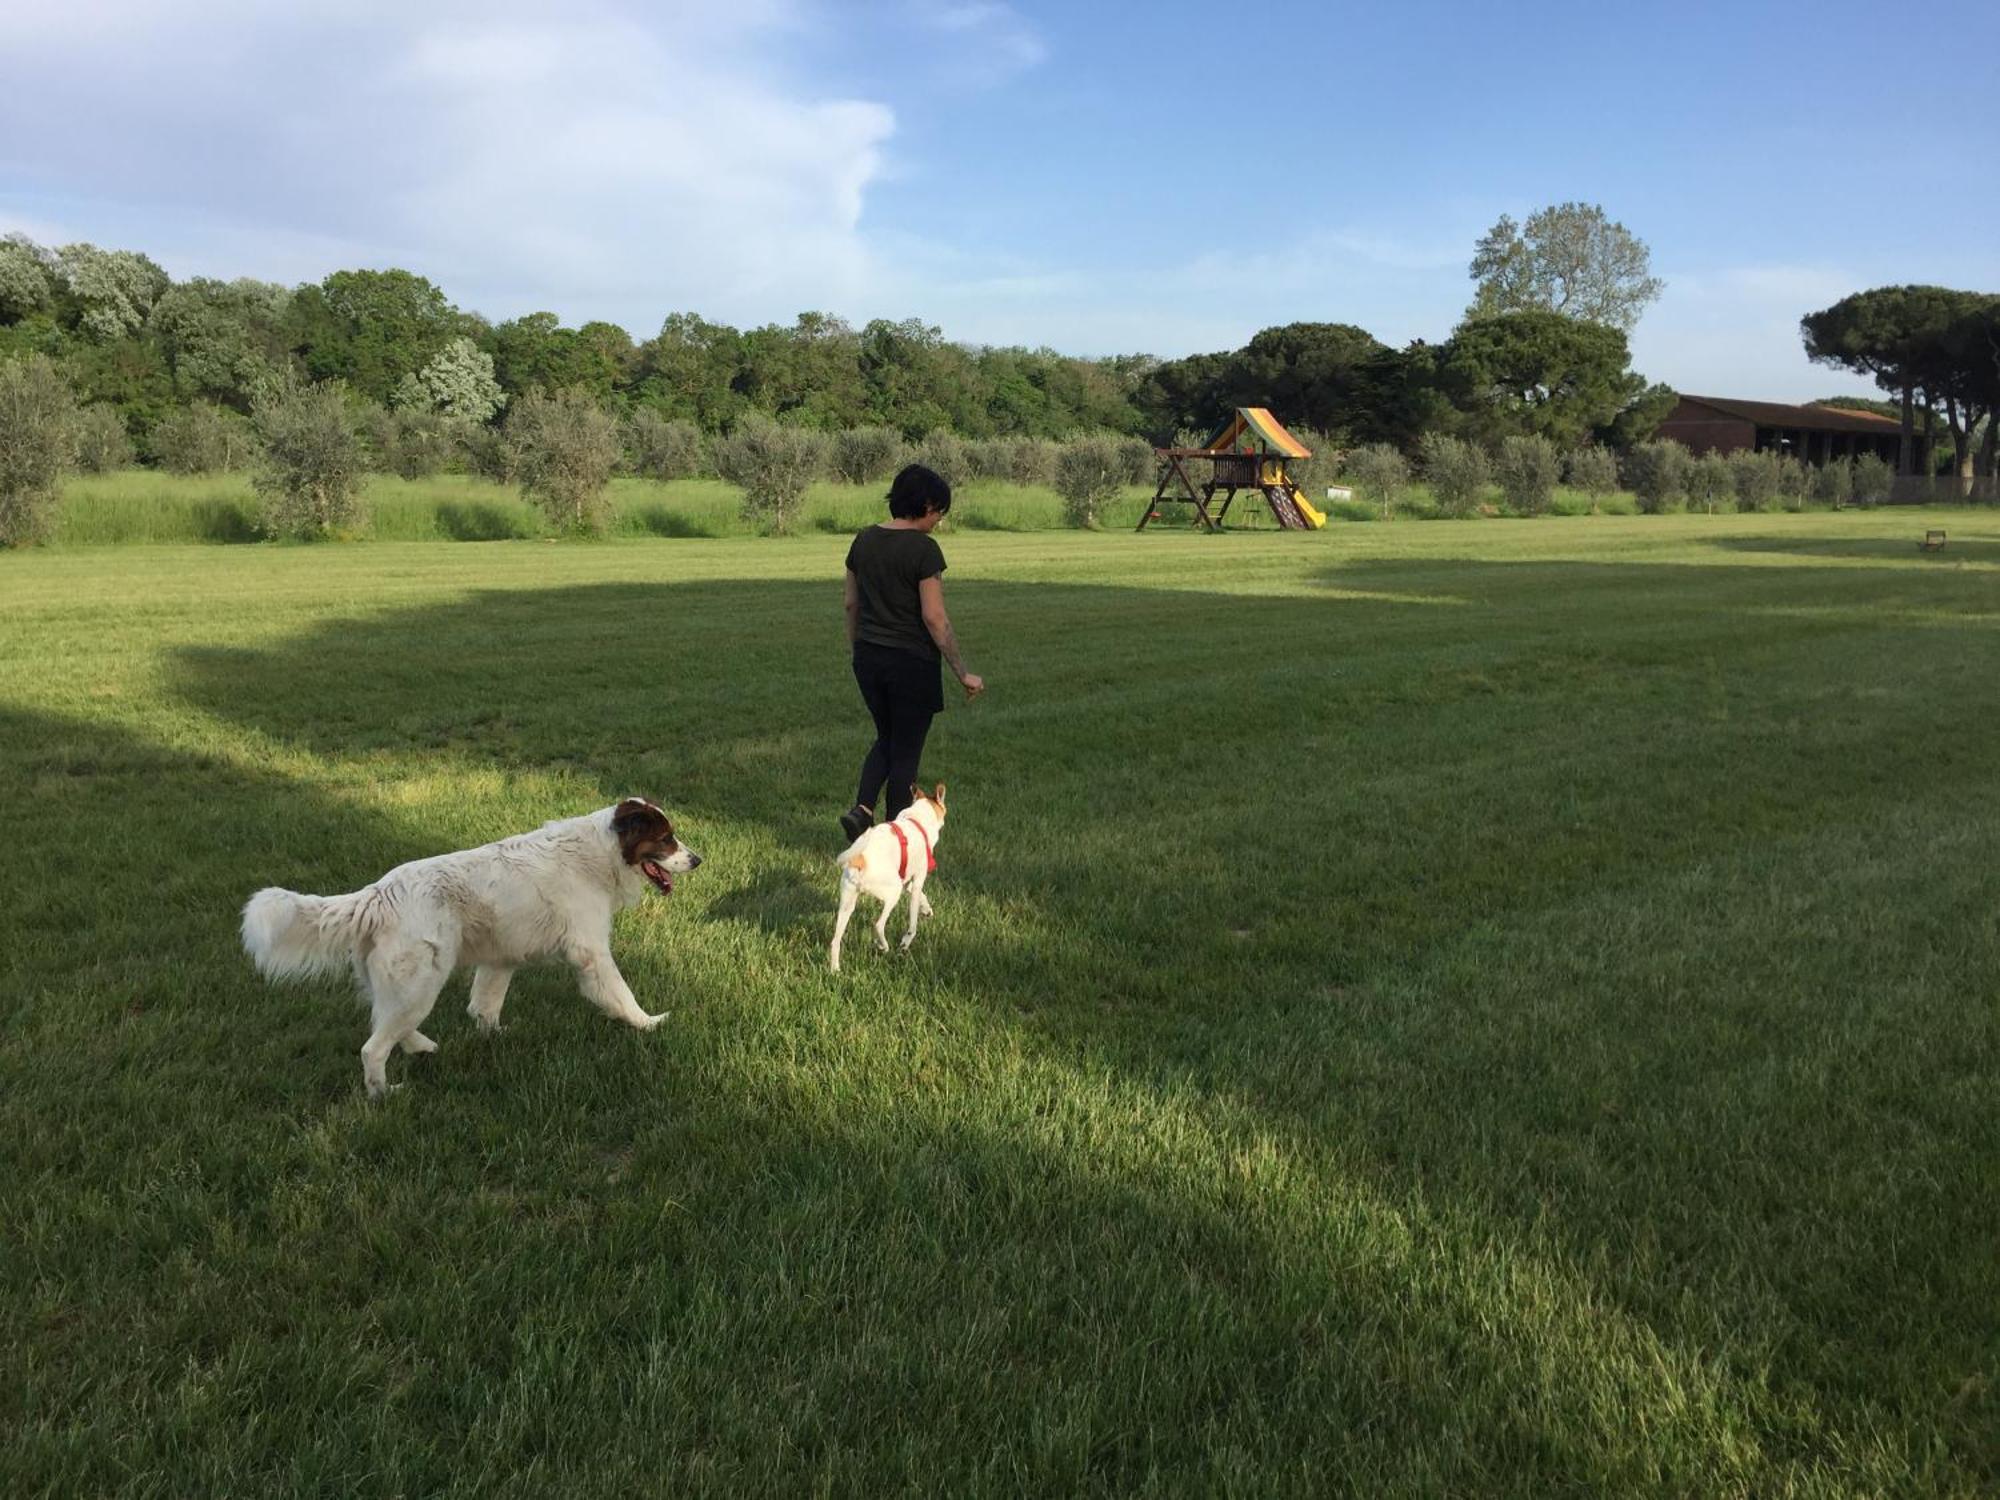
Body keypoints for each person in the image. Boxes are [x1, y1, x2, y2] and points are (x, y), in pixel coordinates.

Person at [840, 463, 984, 842]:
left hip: (868, 658)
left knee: (887, 737)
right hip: (911, 663)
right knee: (905, 752)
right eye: (939, 512)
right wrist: (962, 672)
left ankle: (862, 810)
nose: (938, 521)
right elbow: (934, 617)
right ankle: (894, 837)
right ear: (926, 504)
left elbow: (851, 605)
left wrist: (859, 650)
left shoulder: (863, 541)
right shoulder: (924, 550)